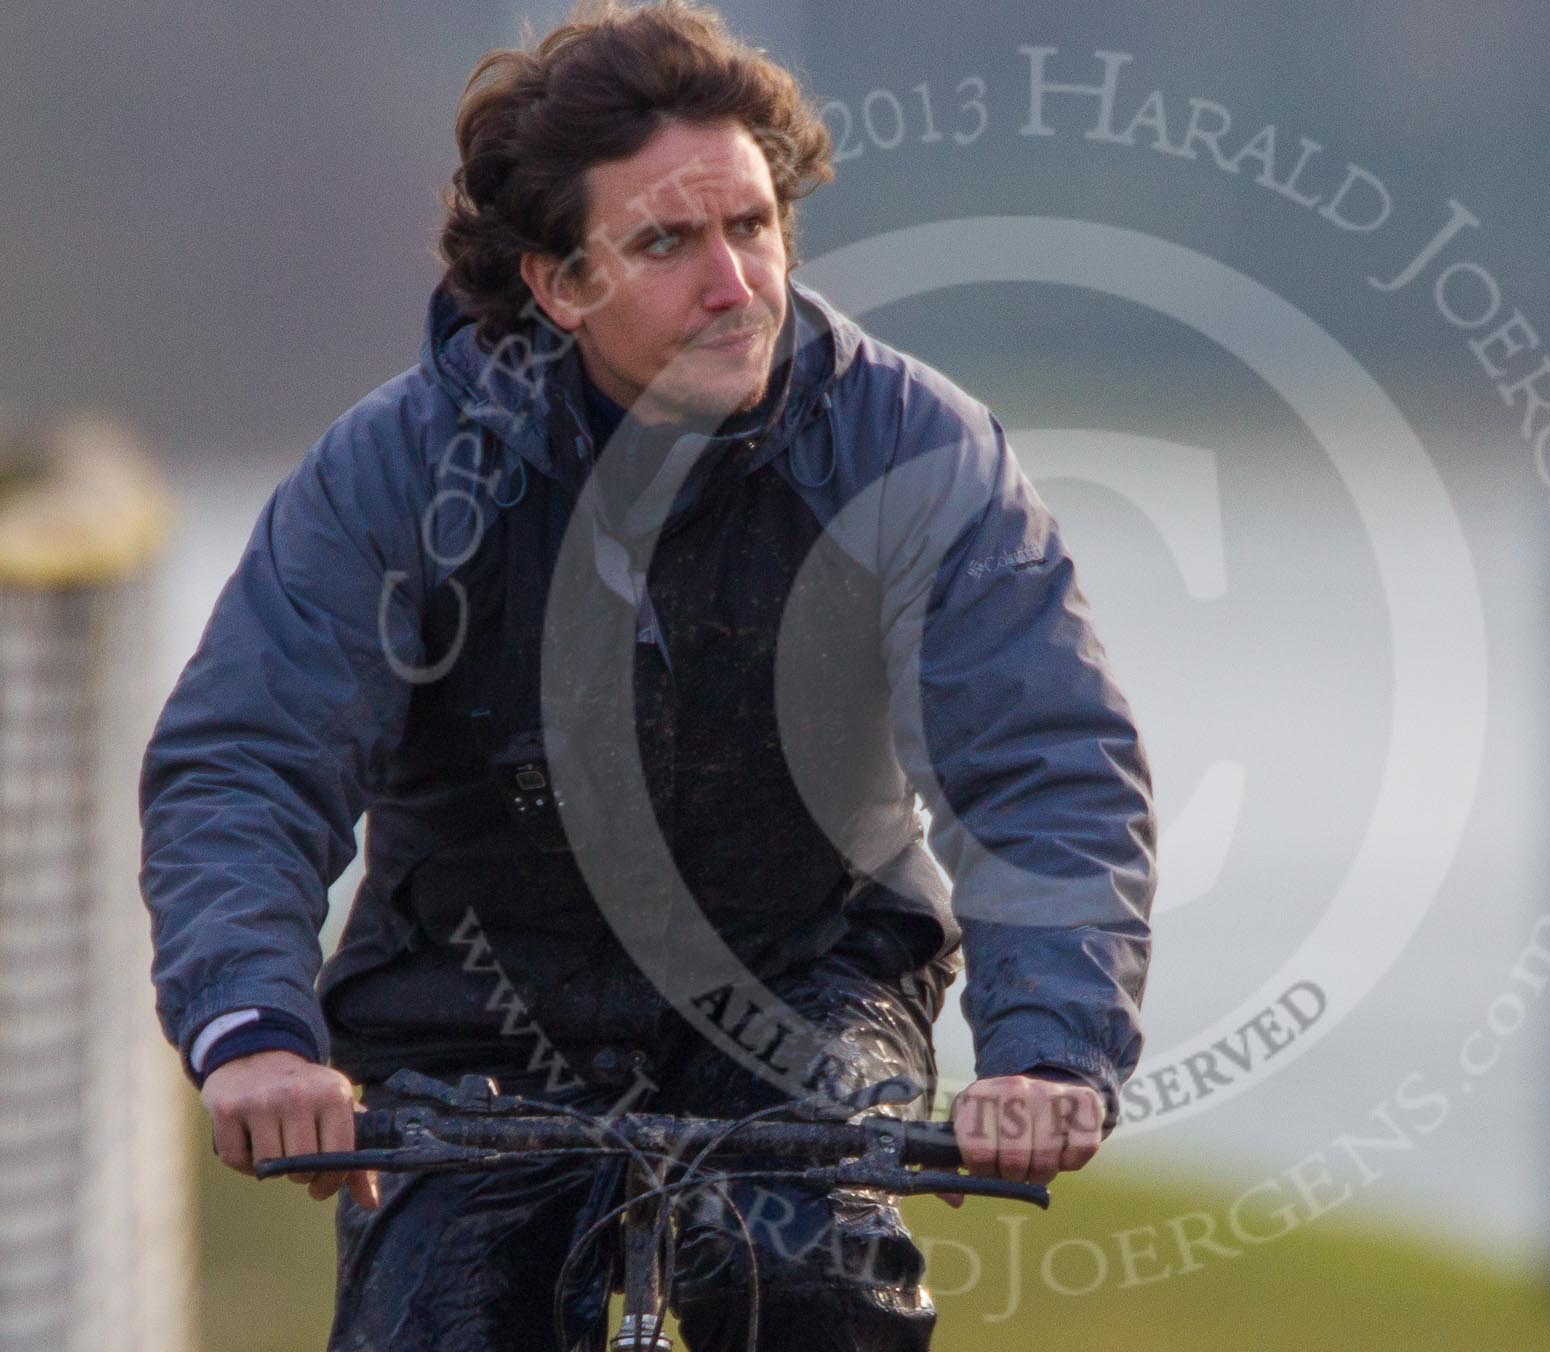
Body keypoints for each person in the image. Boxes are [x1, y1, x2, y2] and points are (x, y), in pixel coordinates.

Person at [139, 3, 1153, 1349]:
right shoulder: (397, 467)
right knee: (441, 1321)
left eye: (752, 226)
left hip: (810, 984)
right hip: (472, 1009)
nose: (734, 281)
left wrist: (1048, 1045)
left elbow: (1041, 758)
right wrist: (255, 1031)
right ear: (560, 283)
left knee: (803, 1270)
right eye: (669, 244)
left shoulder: (915, 452)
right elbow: (251, 758)